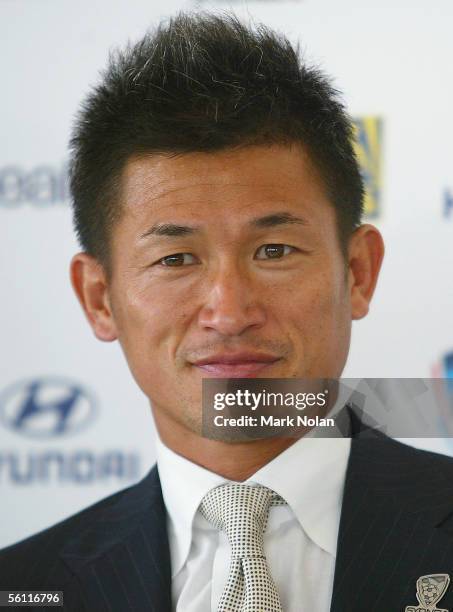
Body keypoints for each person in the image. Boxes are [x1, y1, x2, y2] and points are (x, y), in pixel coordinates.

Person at [2, 11, 453, 612]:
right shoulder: (23, 584)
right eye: (176, 259)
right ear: (99, 298)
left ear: (358, 272)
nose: (230, 312)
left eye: (274, 250)